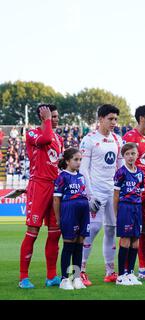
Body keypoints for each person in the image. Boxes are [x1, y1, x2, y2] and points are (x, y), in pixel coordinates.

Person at [19, 104, 64, 289]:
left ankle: (51, 276)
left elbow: (58, 162)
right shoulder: (32, 133)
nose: (55, 119)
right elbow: (45, 137)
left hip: (55, 187)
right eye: (52, 116)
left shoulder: (59, 138)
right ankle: (23, 278)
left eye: (56, 116)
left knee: (55, 234)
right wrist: (46, 121)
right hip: (39, 185)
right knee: (33, 233)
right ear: (43, 117)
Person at [79, 104, 124, 286]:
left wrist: (122, 190)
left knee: (112, 229)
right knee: (93, 228)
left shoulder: (117, 140)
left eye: (115, 119)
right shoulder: (89, 140)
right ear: (101, 119)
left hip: (112, 191)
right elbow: (83, 169)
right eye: (110, 119)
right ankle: (81, 270)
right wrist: (89, 194)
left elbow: (120, 169)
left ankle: (110, 270)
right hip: (96, 190)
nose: (114, 122)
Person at [122, 105, 145, 280]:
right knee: (130, 230)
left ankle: (143, 268)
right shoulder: (129, 136)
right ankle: (125, 270)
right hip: (132, 190)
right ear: (142, 118)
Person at [53, 148, 90, 290]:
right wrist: (58, 218)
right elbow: (56, 199)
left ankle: (76, 277)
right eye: (76, 159)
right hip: (69, 212)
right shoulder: (62, 176)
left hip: (83, 212)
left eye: (80, 159)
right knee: (69, 244)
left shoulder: (81, 176)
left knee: (79, 245)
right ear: (67, 161)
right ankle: (64, 279)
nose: (79, 162)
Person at [113, 143, 145, 286]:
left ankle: (130, 272)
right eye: (127, 154)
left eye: (133, 153)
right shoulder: (120, 172)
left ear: (137, 154)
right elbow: (116, 195)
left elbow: (141, 193)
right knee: (125, 239)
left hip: (137, 208)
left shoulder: (140, 173)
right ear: (123, 156)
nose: (130, 156)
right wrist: (116, 214)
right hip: (125, 207)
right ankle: (121, 275)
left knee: (136, 240)